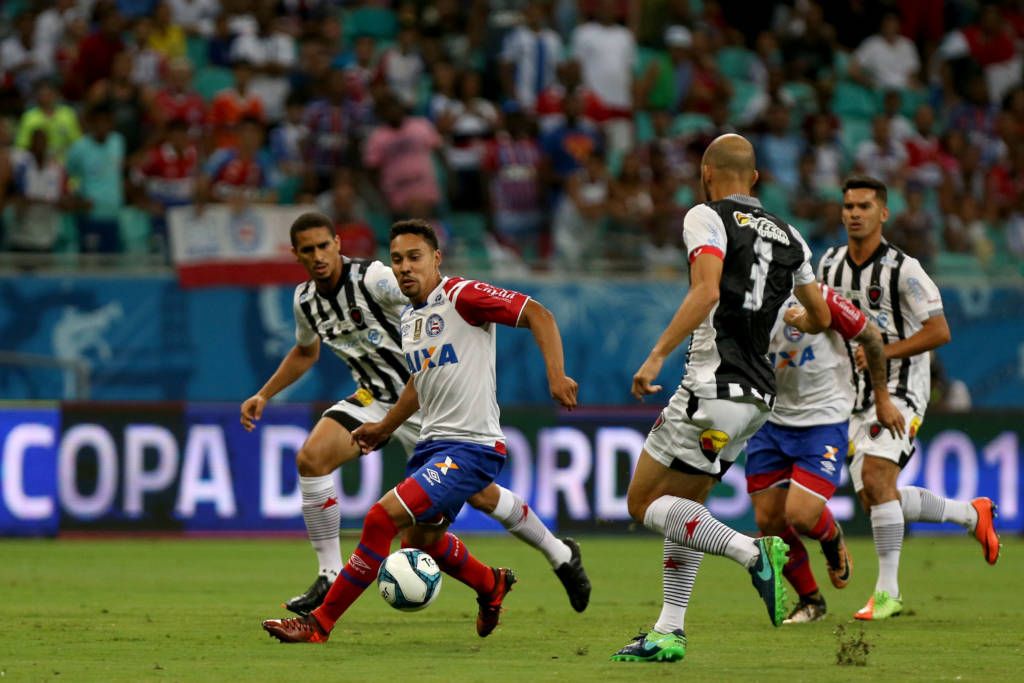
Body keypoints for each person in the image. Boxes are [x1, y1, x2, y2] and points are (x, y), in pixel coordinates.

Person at [242, 212, 590, 619]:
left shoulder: (378, 279)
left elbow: (437, 295)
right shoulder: (306, 301)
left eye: (324, 245)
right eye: (308, 250)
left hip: (430, 404)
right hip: (377, 399)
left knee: (471, 500)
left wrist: (552, 373)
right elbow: (305, 352)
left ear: (338, 243)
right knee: (311, 459)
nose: (318, 256)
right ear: (296, 255)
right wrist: (265, 394)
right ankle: (330, 572)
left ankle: (558, 552)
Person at [610, 133, 832, 663]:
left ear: (707, 173)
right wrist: (802, 318)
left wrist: (657, 355)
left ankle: (752, 551)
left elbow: (706, 290)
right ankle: (669, 631)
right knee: (685, 508)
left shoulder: (706, 217)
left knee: (643, 503)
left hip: (711, 383)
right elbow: (821, 316)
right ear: (755, 178)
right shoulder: (791, 238)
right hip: (757, 399)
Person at [820, 175, 999, 621]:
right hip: (851, 392)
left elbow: (940, 331)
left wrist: (883, 350)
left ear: (884, 213)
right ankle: (971, 516)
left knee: (879, 479)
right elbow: (820, 317)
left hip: (901, 389)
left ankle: (888, 593)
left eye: (864, 206)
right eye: (848, 207)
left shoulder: (904, 269)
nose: (854, 214)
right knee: (877, 497)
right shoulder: (829, 265)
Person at [747, 284, 905, 624]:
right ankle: (811, 601)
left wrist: (881, 398)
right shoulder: (745, 297)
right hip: (769, 418)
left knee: (801, 515)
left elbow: (872, 338)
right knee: (768, 523)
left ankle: (832, 539)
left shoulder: (823, 299)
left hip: (823, 419)